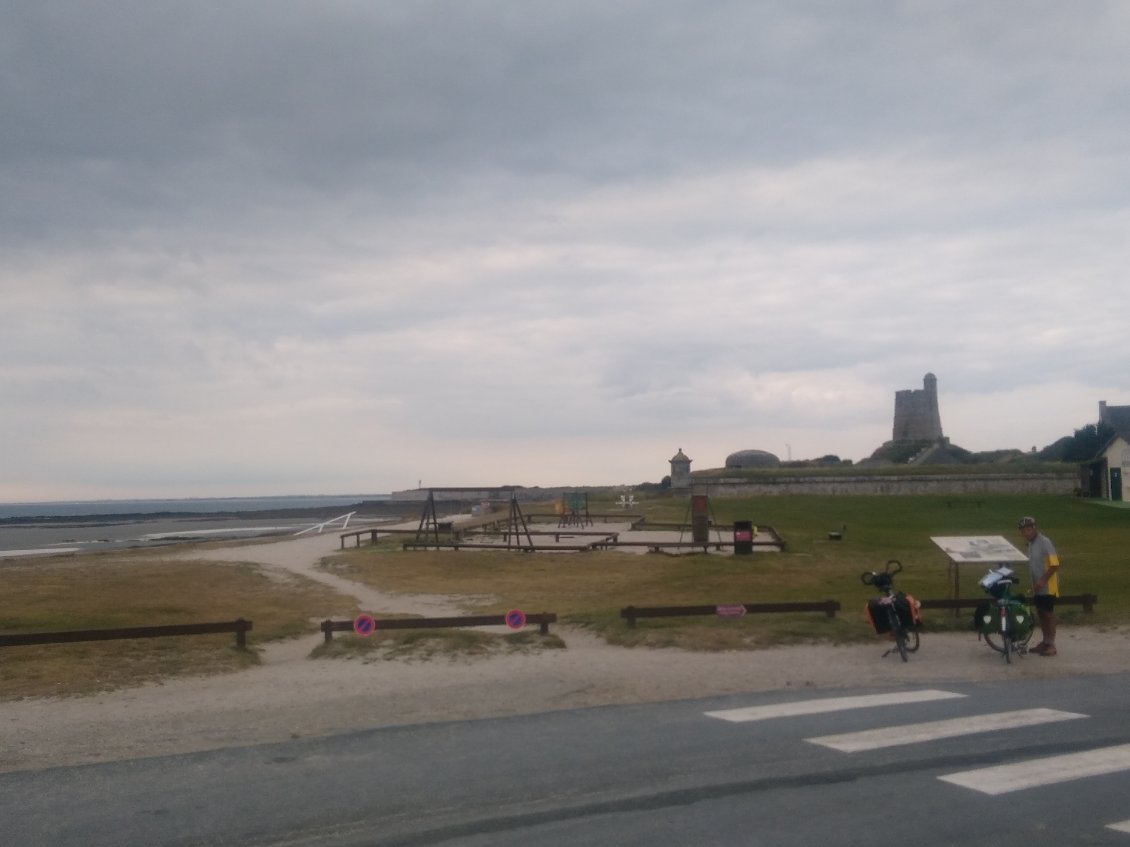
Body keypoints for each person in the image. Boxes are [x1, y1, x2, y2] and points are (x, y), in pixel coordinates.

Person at [1018, 516, 1060, 656]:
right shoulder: (1030, 544)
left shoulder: (1044, 542)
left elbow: (1055, 564)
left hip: (1048, 585)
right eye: (1024, 531)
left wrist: (1043, 580)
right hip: (1037, 586)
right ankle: (1045, 642)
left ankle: (1052, 645)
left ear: (1034, 528)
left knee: (1048, 614)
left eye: (1029, 530)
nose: (1026, 533)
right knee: (1041, 613)